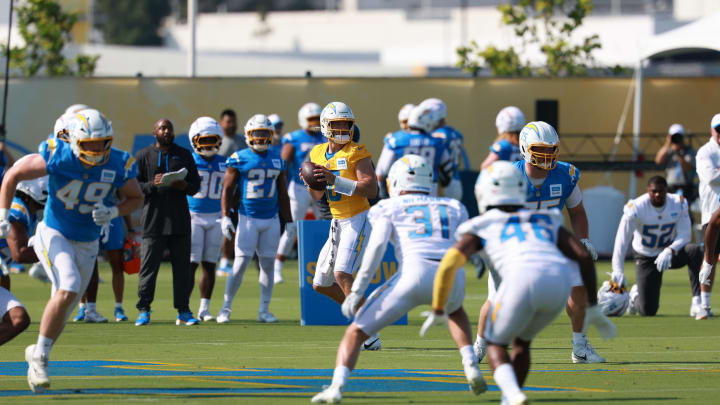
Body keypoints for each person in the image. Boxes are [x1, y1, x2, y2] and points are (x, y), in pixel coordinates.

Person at [424, 160, 615, 405]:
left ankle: (513, 393)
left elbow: (449, 263)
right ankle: (510, 396)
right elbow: (581, 255)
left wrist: (439, 307)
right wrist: (592, 307)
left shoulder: (481, 224)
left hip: (520, 280)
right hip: (556, 287)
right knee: (522, 342)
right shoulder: (546, 218)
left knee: (496, 344)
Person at [311, 155, 482, 404]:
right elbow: (470, 241)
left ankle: (336, 387)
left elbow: (377, 248)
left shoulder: (388, 207)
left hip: (413, 274)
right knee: (456, 313)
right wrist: (478, 261)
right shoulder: (453, 206)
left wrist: (357, 289)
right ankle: (471, 366)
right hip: (451, 275)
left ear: (396, 181)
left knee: (356, 332)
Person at [0, 109, 142, 393]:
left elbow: (136, 197)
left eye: (101, 142)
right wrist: (3, 214)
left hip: (88, 241)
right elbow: (13, 174)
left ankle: (39, 352)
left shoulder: (116, 162)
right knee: (69, 286)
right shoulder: (59, 156)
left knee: (64, 306)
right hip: (54, 231)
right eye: (89, 143)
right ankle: (40, 358)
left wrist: (114, 211)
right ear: (75, 141)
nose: (95, 149)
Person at [474, 121, 602, 365]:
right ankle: (479, 346)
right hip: (514, 245)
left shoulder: (566, 174)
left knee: (579, 289)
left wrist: (583, 239)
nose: (547, 155)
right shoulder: (509, 175)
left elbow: (577, 211)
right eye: (540, 149)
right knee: (496, 300)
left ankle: (580, 347)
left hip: (551, 243)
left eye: (551, 149)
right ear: (524, 149)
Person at [306, 101, 380, 350]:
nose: (342, 128)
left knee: (342, 274)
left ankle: (368, 332)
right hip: (337, 222)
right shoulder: (317, 153)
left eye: (346, 124)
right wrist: (311, 182)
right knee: (320, 284)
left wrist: (335, 180)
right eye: (337, 124)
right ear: (326, 126)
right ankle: (366, 314)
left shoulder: (356, 152)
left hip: (358, 218)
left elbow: (371, 188)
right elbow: (317, 197)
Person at [218, 114, 291, 323]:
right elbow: (227, 190)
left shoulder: (278, 158)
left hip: (271, 219)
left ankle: (264, 311)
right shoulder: (238, 157)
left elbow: (283, 192)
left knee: (267, 265)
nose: (260, 138)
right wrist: (225, 217)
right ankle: (225, 308)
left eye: (264, 134)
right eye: (256, 134)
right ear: (249, 135)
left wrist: (290, 220)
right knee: (240, 264)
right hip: (247, 217)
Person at [135, 118, 201, 326]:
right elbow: (134, 187)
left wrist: (184, 186)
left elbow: (196, 185)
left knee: (182, 268)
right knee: (148, 268)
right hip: (153, 219)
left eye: (169, 128)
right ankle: (144, 309)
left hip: (179, 220)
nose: (166, 131)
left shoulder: (183, 155)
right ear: (154, 132)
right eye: (162, 128)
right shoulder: (144, 155)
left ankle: (183, 311)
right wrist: (152, 185)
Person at [611, 176, 704, 317]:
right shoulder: (636, 207)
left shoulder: (678, 203)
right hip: (646, 256)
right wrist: (617, 270)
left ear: (666, 190)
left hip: (669, 252)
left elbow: (685, 235)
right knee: (647, 310)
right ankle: (635, 296)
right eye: (654, 191)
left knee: (695, 251)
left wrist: (670, 250)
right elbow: (621, 241)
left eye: (661, 191)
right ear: (648, 191)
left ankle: (697, 302)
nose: (657, 194)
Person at [274, 102, 324, 284]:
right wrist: (282, 185)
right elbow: (283, 164)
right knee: (292, 226)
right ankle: (278, 266)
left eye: (317, 119)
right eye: (311, 119)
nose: (314, 123)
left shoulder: (325, 137)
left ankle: (324, 264)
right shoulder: (293, 138)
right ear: (303, 120)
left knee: (326, 225)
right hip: (299, 187)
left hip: (320, 188)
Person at [186, 117, 225, 322]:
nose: (209, 145)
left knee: (210, 264)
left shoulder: (225, 162)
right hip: (194, 215)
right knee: (191, 263)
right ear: (194, 140)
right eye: (204, 140)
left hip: (217, 217)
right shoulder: (189, 160)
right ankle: (185, 308)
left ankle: (204, 308)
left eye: (213, 140)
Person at [375, 105, 453, 197]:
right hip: (429, 187)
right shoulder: (437, 141)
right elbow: (448, 171)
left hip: (402, 185)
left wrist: (381, 192)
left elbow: (382, 170)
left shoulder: (396, 140)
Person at [694, 113, 720, 315]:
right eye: (718, 129)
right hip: (712, 212)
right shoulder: (706, 152)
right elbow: (711, 178)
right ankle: (704, 304)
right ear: (712, 130)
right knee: (710, 256)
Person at [217, 109, 245, 276]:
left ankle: (227, 261)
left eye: (233, 121)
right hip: (221, 191)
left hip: (239, 192)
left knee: (234, 226)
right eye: (228, 121)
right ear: (221, 123)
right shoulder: (218, 142)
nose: (231, 125)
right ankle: (223, 261)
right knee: (223, 226)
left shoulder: (242, 141)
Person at [420, 98, 465, 200]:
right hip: (456, 180)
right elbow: (459, 162)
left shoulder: (437, 136)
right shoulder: (456, 133)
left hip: (443, 182)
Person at [655, 123, 696, 203]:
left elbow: (688, 167)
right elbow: (658, 161)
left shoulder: (689, 151)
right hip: (670, 187)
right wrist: (668, 143)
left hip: (686, 187)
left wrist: (678, 153)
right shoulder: (668, 151)